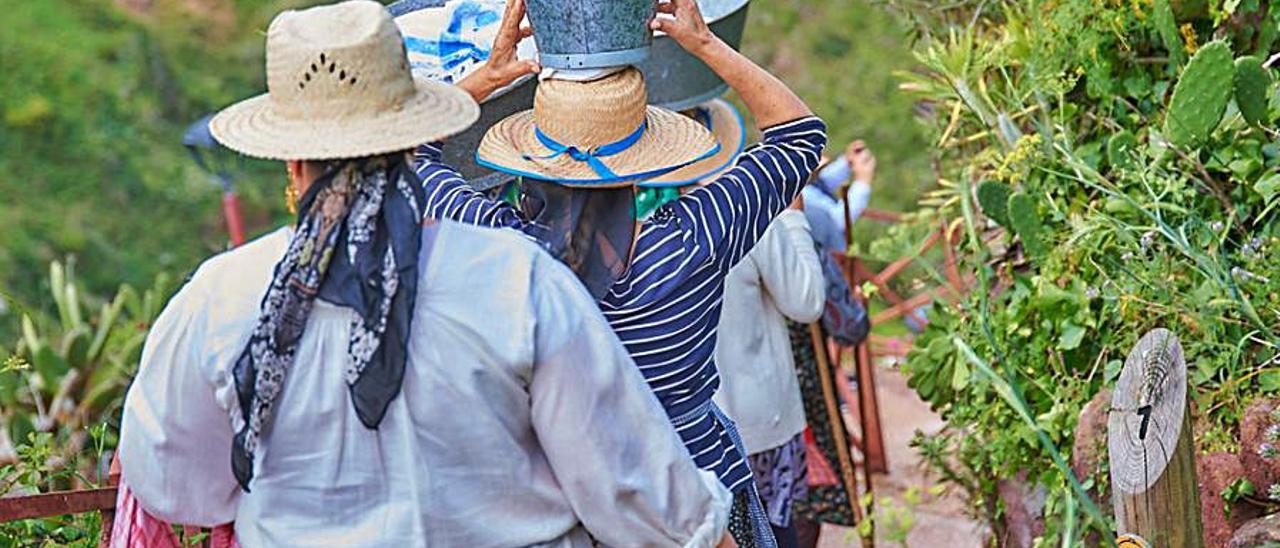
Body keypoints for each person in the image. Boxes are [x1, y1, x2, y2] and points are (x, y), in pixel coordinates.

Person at [113, 2, 734, 546]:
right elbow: (638, 495)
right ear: (415, 142)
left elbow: (172, 481)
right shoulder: (516, 282)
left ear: (293, 164)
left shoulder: (221, 298)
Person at [411, 0, 827, 544]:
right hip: (699, 499)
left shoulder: (503, 249)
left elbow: (409, 155)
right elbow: (800, 136)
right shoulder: (689, 242)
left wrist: (490, 76)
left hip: (561, 509)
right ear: (642, 160)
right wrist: (703, 44)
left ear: (533, 157)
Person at [711, 195, 825, 548]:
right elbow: (806, 301)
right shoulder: (745, 207)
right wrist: (792, 219)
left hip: (687, 431)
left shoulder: (641, 214)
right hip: (759, 425)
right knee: (775, 532)